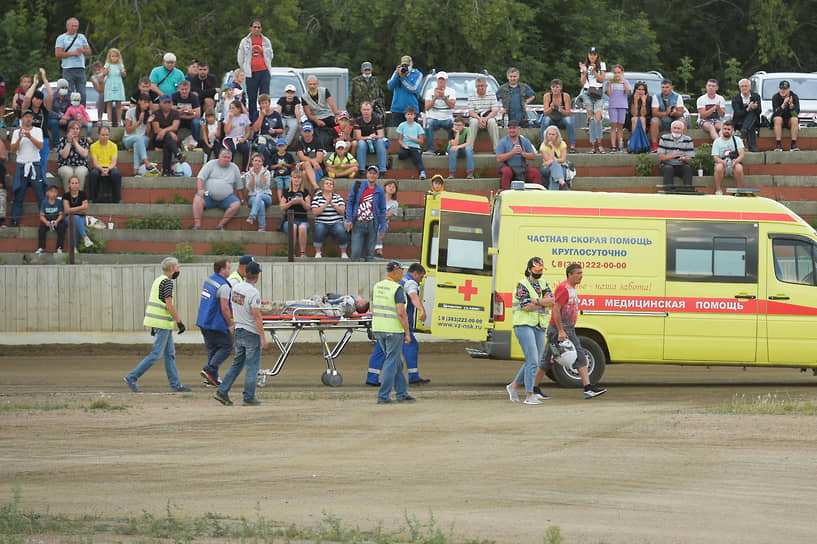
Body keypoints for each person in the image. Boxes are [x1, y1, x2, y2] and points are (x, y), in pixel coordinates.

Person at [124, 257, 192, 393]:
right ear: (172, 268)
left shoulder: (158, 280)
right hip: (162, 323)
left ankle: (175, 384)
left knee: (170, 354)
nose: (178, 270)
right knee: (156, 354)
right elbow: (169, 305)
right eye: (177, 267)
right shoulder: (167, 282)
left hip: (160, 323)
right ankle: (132, 377)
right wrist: (179, 321)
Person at [543, 263, 607, 399]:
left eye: (581, 273)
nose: (581, 276)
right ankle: (532, 388)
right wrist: (560, 331)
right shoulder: (563, 288)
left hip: (568, 329)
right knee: (546, 360)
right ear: (570, 274)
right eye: (578, 273)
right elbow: (556, 309)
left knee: (553, 359)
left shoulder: (571, 288)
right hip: (559, 331)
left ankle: (588, 388)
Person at [366, 262, 430, 386]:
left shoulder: (382, 285)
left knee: (380, 350)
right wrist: (422, 309)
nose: (420, 281)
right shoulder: (409, 283)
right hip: (397, 325)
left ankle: (372, 378)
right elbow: (413, 297)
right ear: (415, 273)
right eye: (421, 277)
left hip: (380, 325)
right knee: (410, 346)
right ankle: (413, 377)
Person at [215, 261, 267, 406]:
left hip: (239, 330)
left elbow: (240, 304)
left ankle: (222, 391)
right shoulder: (254, 292)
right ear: (257, 276)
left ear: (245, 274)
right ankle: (248, 397)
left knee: (237, 363)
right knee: (252, 366)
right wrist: (262, 337)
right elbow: (257, 316)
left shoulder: (236, 287)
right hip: (251, 332)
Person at [505, 257, 554, 404]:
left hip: (539, 326)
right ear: (529, 270)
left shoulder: (544, 283)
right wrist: (542, 302)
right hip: (524, 324)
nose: (539, 272)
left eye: (541, 269)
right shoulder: (522, 285)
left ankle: (513, 386)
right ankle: (529, 395)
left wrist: (535, 301)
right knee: (532, 360)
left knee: (534, 360)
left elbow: (551, 301)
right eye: (536, 269)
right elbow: (526, 306)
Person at [372, 260, 415, 404]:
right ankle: (383, 395)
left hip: (379, 329)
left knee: (397, 362)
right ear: (395, 271)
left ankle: (402, 393)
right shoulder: (397, 289)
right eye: (402, 270)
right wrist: (407, 333)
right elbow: (402, 313)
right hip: (393, 330)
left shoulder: (377, 286)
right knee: (392, 362)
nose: (403, 273)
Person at [196, 258, 234, 387]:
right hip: (215, 323)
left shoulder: (210, 280)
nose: (230, 270)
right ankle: (209, 370)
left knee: (213, 349)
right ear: (222, 270)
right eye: (228, 268)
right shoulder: (224, 286)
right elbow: (224, 307)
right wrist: (230, 324)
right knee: (227, 346)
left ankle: (211, 379)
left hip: (203, 321)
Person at [192, 149, 244, 230]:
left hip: (227, 198)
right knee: (197, 200)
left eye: (228, 158)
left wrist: (242, 199)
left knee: (236, 204)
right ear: (219, 157)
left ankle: (220, 225)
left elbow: (239, 186)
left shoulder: (234, 167)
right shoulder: (211, 164)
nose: (226, 159)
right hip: (208, 195)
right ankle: (197, 225)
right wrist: (200, 189)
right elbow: (200, 178)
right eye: (224, 157)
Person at [9, 109, 45, 227]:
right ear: (22, 119)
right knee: (18, 195)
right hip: (22, 165)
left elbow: (40, 146)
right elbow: (13, 150)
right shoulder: (16, 132)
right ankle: (15, 221)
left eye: (30, 116)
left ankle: (46, 222)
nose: (28, 118)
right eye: (26, 116)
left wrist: (29, 137)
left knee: (40, 194)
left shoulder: (38, 130)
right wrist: (20, 138)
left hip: (35, 164)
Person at [346, 165, 386, 262]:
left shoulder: (380, 190)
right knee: (355, 252)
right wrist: (349, 219)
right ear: (367, 174)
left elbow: (382, 209)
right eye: (370, 173)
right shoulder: (358, 186)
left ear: (377, 175)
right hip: (358, 223)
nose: (372, 175)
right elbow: (350, 202)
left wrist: (383, 227)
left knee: (370, 254)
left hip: (372, 224)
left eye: (374, 173)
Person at [237, 19, 274, 121]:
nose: (257, 29)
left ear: (261, 29)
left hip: (264, 71)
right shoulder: (245, 41)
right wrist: (245, 70)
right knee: (252, 98)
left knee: (265, 97)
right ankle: (253, 120)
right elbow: (240, 58)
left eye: (259, 27)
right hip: (251, 73)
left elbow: (271, 55)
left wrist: (263, 51)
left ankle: (265, 119)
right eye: (255, 27)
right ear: (251, 28)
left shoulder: (266, 41)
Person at [54, 17, 91, 105]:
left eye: (76, 26)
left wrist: (83, 51)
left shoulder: (81, 37)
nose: (75, 28)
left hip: (80, 69)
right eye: (73, 26)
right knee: (68, 93)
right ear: (67, 26)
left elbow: (89, 52)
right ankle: (69, 112)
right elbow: (58, 54)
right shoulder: (61, 38)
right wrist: (73, 53)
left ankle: (82, 112)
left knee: (82, 93)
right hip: (68, 69)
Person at [496, 119, 542, 190]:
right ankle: (504, 193)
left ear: (518, 129)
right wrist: (512, 152)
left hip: (522, 167)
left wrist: (522, 153)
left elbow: (533, 156)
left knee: (535, 173)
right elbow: (499, 159)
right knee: (506, 172)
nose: (512, 130)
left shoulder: (524, 141)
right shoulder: (502, 142)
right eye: (510, 128)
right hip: (508, 167)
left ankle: (536, 194)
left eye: (514, 128)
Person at [311, 177, 348, 259]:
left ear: (333, 187)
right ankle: (318, 252)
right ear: (323, 186)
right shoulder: (317, 197)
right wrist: (326, 203)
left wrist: (332, 203)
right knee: (319, 229)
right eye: (327, 183)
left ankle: (344, 253)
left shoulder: (338, 197)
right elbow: (314, 212)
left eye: (331, 184)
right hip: (321, 222)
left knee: (341, 230)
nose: (329, 185)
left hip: (336, 223)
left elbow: (342, 211)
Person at [579, 47, 607, 153]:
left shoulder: (602, 65)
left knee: (598, 118)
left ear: (597, 55)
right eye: (590, 54)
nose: (592, 56)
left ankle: (600, 144)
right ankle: (593, 146)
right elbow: (582, 82)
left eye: (594, 54)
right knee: (591, 118)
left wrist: (594, 71)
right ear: (588, 55)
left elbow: (602, 79)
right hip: (587, 93)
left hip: (598, 93)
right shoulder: (584, 66)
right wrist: (585, 72)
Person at [280, 169, 312, 256]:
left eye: (298, 178)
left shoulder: (305, 192)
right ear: (291, 179)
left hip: (303, 220)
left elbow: (308, 207)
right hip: (289, 220)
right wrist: (291, 203)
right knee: (293, 226)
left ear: (301, 179)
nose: (296, 180)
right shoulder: (287, 192)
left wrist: (301, 201)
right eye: (294, 178)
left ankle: (302, 253)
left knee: (302, 227)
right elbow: (282, 207)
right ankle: (291, 252)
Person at [423, 72, 456, 155]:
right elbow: (427, 107)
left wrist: (444, 97)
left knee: (454, 125)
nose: (441, 81)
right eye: (439, 79)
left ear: (446, 81)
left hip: (447, 118)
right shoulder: (430, 91)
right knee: (428, 125)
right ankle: (430, 149)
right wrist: (435, 97)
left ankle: (451, 147)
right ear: (437, 80)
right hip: (434, 118)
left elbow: (452, 105)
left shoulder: (451, 91)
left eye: (443, 79)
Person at [125, 94, 157, 176]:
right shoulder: (130, 112)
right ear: (139, 102)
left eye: (148, 103)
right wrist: (139, 122)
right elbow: (128, 131)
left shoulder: (149, 113)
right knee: (138, 139)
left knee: (138, 142)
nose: (146, 105)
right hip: (129, 138)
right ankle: (146, 162)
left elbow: (147, 133)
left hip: (143, 139)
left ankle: (136, 172)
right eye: (144, 102)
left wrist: (149, 122)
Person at [540, 78, 576, 154]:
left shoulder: (565, 96)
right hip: (551, 120)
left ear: (561, 88)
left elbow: (568, 113)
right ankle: (543, 144)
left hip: (562, 119)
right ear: (551, 88)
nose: (555, 89)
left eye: (557, 87)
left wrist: (562, 111)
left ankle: (572, 145)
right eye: (553, 87)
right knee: (545, 120)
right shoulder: (547, 96)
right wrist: (551, 108)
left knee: (569, 120)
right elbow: (545, 112)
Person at [302, 75, 338, 149]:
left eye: (314, 84)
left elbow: (332, 105)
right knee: (306, 126)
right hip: (314, 117)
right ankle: (307, 145)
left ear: (317, 84)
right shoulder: (304, 97)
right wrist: (317, 121)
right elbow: (308, 114)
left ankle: (337, 143)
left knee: (337, 123)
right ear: (307, 85)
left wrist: (337, 115)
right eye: (310, 84)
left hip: (326, 115)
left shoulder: (324, 91)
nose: (312, 86)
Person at [650, 78, 685, 152]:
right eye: (663, 87)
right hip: (661, 120)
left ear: (671, 87)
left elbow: (681, 112)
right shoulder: (656, 97)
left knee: (682, 120)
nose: (664, 89)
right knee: (654, 121)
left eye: (667, 87)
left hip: (674, 119)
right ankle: (655, 145)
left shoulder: (677, 96)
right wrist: (666, 113)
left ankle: (682, 144)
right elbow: (654, 113)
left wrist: (675, 113)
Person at [88, 126, 122, 203]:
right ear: (98, 135)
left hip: (110, 167)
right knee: (93, 174)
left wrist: (108, 169)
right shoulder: (93, 146)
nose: (105, 137)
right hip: (98, 167)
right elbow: (95, 163)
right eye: (103, 135)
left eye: (107, 135)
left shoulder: (113, 145)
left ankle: (117, 199)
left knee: (116, 174)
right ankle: (93, 198)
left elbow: (114, 162)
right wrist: (102, 170)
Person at [387, 55, 423, 126]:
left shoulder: (418, 74)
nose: (406, 67)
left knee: (412, 134)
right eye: (404, 65)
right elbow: (390, 86)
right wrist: (396, 74)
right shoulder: (397, 73)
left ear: (412, 64)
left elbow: (414, 89)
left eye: (408, 65)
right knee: (397, 135)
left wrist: (403, 78)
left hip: (412, 110)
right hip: (397, 110)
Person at [657, 120, 695, 187]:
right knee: (668, 169)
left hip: (681, 164)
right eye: (674, 128)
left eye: (678, 128)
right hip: (667, 164)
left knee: (687, 168)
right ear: (671, 129)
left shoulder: (688, 139)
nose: (676, 130)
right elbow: (660, 157)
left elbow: (690, 159)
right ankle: (668, 192)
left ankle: (688, 191)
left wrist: (685, 159)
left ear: (682, 130)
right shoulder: (664, 138)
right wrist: (671, 156)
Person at [467, 76, 501, 152]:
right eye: (478, 86)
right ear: (476, 87)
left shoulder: (492, 95)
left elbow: (495, 110)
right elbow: (471, 112)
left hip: (489, 117)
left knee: (492, 122)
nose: (480, 88)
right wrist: (479, 119)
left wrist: (485, 119)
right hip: (476, 117)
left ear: (486, 86)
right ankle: (469, 149)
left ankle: (497, 149)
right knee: (473, 122)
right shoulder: (471, 96)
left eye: (482, 86)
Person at [354, 101, 387, 175]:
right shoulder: (358, 120)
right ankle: (361, 171)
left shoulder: (377, 119)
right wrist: (368, 137)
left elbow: (381, 135)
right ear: (361, 110)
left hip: (375, 140)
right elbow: (358, 137)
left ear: (371, 110)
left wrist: (374, 136)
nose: (366, 112)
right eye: (364, 109)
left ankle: (382, 170)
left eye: (368, 109)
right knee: (361, 143)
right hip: (364, 141)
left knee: (380, 141)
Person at [712, 120, 745, 195]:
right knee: (719, 167)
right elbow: (715, 157)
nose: (726, 131)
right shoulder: (717, 141)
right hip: (722, 164)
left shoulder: (737, 140)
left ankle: (739, 190)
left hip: (734, 164)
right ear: (722, 129)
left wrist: (736, 161)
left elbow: (742, 155)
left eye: (728, 129)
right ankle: (718, 190)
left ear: (732, 130)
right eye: (725, 129)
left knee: (739, 167)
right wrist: (722, 162)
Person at [151, 94, 181, 176]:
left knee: (167, 142)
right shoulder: (156, 113)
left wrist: (164, 131)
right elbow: (156, 129)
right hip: (158, 139)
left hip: (169, 140)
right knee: (168, 137)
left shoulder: (175, 113)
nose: (167, 105)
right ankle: (176, 152)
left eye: (169, 102)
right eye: (165, 103)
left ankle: (166, 170)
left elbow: (175, 127)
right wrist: (169, 132)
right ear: (161, 103)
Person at [56, 120, 90, 190]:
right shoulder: (62, 140)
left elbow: (84, 154)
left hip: (81, 165)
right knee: (67, 172)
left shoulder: (84, 140)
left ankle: (79, 195)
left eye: (77, 129)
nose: (75, 130)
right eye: (73, 128)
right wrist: (69, 141)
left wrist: (74, 142)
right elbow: (64, 155)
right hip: (65, 165)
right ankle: (68, 195)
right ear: (69, 130)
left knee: (80, 172)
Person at [252, 94, 284, 167]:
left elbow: (281, 130)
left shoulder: (276, 114)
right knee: (262, 148)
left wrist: (275, 131)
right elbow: (255, 129)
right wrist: (262, 116)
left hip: (273, 138)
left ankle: (278, 170)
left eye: (266, 103)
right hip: (260, 138)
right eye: (262, 103)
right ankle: (268, 169)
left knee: (278, 149)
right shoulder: (257, 114)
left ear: (269, 103)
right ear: (260, 104)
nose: (264, 105)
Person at [292, 122, 325, 191]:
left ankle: (308, 197)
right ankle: (316, 187)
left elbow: (319, 159)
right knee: (306, 164)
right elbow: (301, 157)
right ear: (302, 132)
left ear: (312, 131)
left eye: (309, 131)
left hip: (316, 168)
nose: (307, 134)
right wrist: (313, 161)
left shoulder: (318, 141)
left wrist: (309, 162)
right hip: (304, 165)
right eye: (305, 132)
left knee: (304, 173)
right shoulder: (299, 142)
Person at [395, 106, 426, 179]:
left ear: (414, 116)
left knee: (417, 158)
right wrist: (404, 145)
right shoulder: (402, 125)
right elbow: (399, 140)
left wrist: (412, 138)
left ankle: (422, 172)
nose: (409, 116)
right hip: (405, 146)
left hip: (415, 147)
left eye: (411, 114)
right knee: (401, 155)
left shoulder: (418, 126)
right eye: (408, 114)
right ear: (405, 115)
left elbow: (421, 141)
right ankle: (409, 153)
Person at [62, 175, 93, 249]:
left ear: (79, 184)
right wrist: (81, 207)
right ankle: (85, 237)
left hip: (82, 217)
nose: (75, 185)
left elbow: (85, 209)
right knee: (74, 218)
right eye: (72, 183)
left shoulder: (83, 194)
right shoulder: (66, 195)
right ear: (69, 185)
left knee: (75, 222)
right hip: (68, 218)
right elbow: (67, 210)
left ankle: (74, 248)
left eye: (76, 183)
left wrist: (72, 210)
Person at [606, 64, 631, 152]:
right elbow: (609, 94)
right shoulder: (611, 82)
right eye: (615, 73)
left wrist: (624, 83)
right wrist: (608, 84)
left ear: (622, 72)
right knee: (613, 126)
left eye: (618, 72)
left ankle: (620, 145)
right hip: (613, 105)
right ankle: (613, 146)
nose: (616, 74)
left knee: (620, 126)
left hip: (622, 105)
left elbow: (628, 92)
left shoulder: (626, 81)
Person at [36, 184, 66, 256]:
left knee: (62, 227)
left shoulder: (59, 202)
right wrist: (46, 222)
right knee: (41, 228)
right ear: (47, 193)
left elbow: (61, 214)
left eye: (55, 192)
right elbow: (41, 216)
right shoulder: (44, 202)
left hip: (56, 221)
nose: (53, 193)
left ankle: (59, 247)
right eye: (51, 191)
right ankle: (41, 248)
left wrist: (57, 221)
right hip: (47, 221)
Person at [245, 153, 273, 231]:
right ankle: (262, 227)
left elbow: (266, 187)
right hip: (252, 197)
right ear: (252, 162)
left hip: (266, 196)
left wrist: (262, 175)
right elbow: (249, 188)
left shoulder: (266, 173)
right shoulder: (248, 174)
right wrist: (253, 176)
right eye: (255, 160)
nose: (257, 162)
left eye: (259, 161)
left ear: (262, 163)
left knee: (260, 196)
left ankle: (252, 215)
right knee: (260, 203)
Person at [732, 78, 761, 153]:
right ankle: (753, 146)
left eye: (746, 86)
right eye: (742, 86)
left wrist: (755, 108)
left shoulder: (756, 96)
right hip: (739, 122)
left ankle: (745, 130)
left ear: (750, 87)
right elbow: (738, 113)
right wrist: (747, 109)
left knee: (753, 113)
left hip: (752, 120)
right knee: (751, 125)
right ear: (740, 88)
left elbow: (759, 111)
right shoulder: (735, 98)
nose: (744, 88)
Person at [223, 99, 251, 172]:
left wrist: (244, 139)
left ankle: (244, 170)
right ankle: (229, 170)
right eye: (230, 108)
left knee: (246, 148)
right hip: (229, 138)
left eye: (233, 108)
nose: (231, 110)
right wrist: (230, 119)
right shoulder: (228, 117)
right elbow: (226, 131)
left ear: (238, 109)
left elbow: (248, 132)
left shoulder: (244, 117)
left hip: (240, 138)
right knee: (231, 149)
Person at [771, 80, 800, 152]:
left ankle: (793, 145)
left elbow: (796, 114)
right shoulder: (775, 97)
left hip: (789, 120)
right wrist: (783, 105)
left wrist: (791, 106)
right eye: (781, 89)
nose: (782, 91)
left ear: (789, 89)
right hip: (780, 119)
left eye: (785, 89)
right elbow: (776, 113)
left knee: (794, 119)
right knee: (778, 119)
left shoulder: (794, 97)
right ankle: (778, 145)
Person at [172, 80, 201, 148]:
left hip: (190, 120)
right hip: (179, 120)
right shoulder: (174, 96)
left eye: (186, 89)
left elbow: (198, 114)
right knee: (173, 121)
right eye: (182, 89)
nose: (184, 91)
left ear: (189, 89)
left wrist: (181, 112)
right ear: (179, 89)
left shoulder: (193, 97)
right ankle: (173, 145)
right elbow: (171, 112)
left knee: (196, 123)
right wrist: (183, 110)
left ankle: (196, 144)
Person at [374, 179, 398, 259]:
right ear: (385, 187)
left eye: (393, 187)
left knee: (379, 227)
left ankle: (379, 251)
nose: (391, 188)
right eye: (389, 186)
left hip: (383, 224)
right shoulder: (377, 197)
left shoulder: (394, 204)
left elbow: (386, 217)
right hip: (371, 219)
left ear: (395, 190)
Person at [540, 125, 568, 191]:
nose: (551, 136)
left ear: (557, 136)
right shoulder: (543, 145)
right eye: (549, 134)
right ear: (546, 135)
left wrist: (553, 161)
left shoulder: (562, 144)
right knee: (555, 166)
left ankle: (552, 193)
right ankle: (563, 183)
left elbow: (563, 159)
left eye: (553, 134)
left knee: (554, 171)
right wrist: (552, 148)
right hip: (546, 168)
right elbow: (548, 161)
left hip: (561, 166)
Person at [103, 48, 127, 126]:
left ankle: (119, 121)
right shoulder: (107, 64)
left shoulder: (120, 65)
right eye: (112, 56)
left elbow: (124, 75)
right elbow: (103, 74)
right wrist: (106, 71)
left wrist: (123, 72)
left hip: (118, 84)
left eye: (116, 56)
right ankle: (109, 121)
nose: (114, 58)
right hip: (110, 84)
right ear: (109, 57)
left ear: (118, 57)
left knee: (118, 104)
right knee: (109, 103)